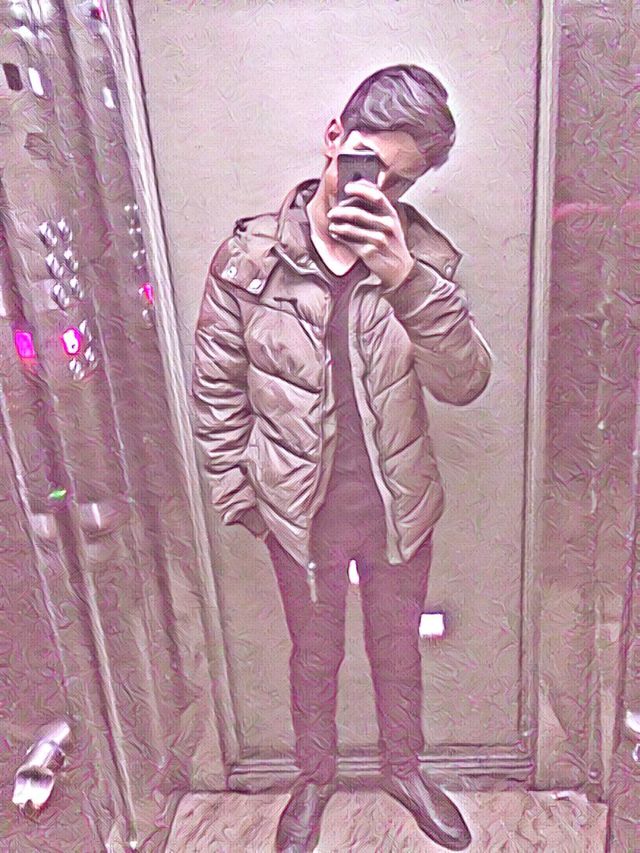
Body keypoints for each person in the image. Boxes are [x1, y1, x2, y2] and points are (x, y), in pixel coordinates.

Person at [192, 64, 493, 852]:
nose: (380, 191)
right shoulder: (248, 260)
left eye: (401, 182)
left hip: (397, 504)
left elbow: (464, 381)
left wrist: (405, 280)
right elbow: (216, 390)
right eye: (369, 164)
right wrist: (243, 496)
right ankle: (314, 779)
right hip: (299, 514)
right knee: (315, 656)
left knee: (398, 651)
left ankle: (404, 771)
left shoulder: (422, 261)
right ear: (334, 137)